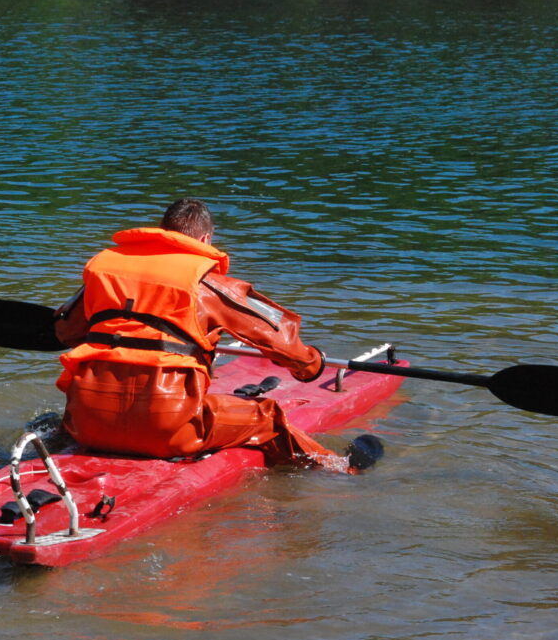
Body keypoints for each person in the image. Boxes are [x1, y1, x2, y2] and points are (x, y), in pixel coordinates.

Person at [53, 198, 377, 471]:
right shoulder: (211, 285)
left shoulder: (102, 273)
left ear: (163, 234)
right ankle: (339, 469)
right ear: (206, 240)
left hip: (86, 422)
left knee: (79, 405)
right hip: (167, 428)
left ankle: (58, 440)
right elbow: (278, 335)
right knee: (269, 417)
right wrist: (311, 364)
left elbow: (65, 331)